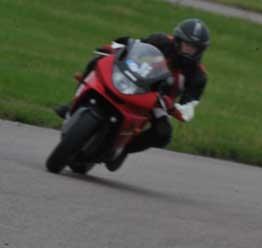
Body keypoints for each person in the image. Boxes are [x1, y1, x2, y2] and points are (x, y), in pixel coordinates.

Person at [55, 19, 210, 171]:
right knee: (98, 61)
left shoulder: (198, 76)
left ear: (201, 50)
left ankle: (125, 148)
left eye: (193, 48)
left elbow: (190, 103)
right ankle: (72, 103)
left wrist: (178, 109)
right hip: (135, 80)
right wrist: (112, 49)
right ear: (177, 40)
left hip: (159, 101)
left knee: (163, 133)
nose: (189, 50)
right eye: (187, 45)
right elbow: (133, 48)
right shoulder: (160, 40)